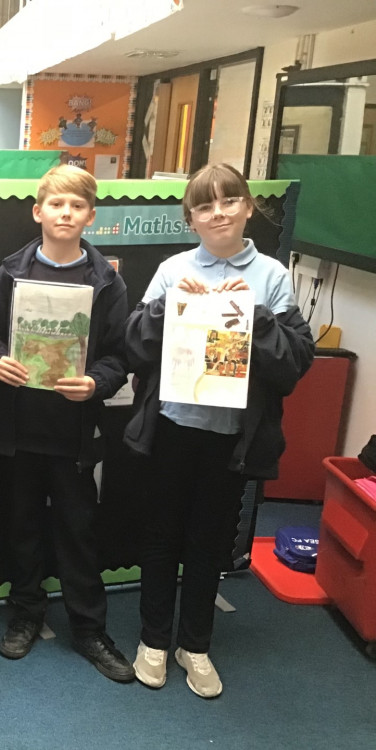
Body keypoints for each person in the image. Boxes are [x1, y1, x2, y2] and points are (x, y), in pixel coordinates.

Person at [124, 163, 314, 698]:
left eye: (229, 201)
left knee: (209, 544)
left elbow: (295, 365)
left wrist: (257, 318)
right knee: (160, 538)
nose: (218, 212)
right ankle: (154, 640)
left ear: (249, 207)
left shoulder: (272, 276)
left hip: (233, 437)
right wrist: (164, 309)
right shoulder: (172, 268)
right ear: (191, 218)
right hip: (171, 428)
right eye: (205, 206)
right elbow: (135, 348)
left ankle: (196, 645)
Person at [0, 164, 135, 683]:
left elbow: (120, 356)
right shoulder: (10, 273)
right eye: (56, 204)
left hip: (76, 433)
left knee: (78, 532)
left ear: (90, 216)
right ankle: (26, 613)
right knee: (21, 528)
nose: (65, 213)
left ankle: (89, 629)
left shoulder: (107, 282)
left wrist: (96, 382)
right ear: (38, 211)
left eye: (76, 206)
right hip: (19, 428)